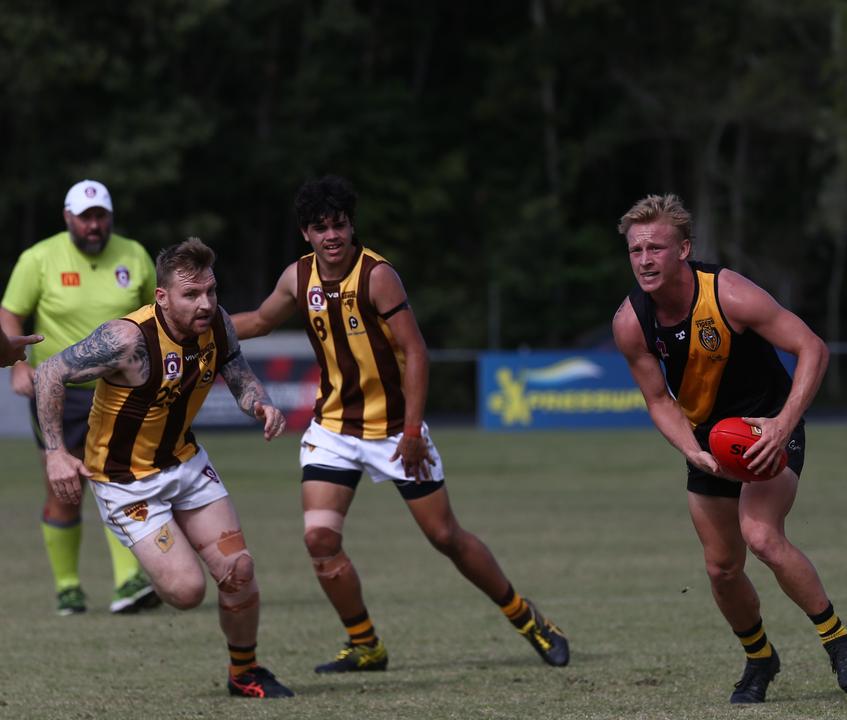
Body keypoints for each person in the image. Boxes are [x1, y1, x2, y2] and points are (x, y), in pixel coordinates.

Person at [231, 175, 569, 674]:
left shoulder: (377, 276)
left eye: (339, 225)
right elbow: (259, 322)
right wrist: (192, 323)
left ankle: (528, 618)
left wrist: (411, 433)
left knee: (445, 537)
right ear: (305, 233)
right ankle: (366, 644)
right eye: (320, 227)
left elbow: (415, 351)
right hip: (333, 431)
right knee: (319, 539)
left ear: (351, 226)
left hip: (394, 431)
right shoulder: (296, 278)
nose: (332, 236)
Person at [613, 194, 847, 704]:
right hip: (708, 438)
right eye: (636, 249)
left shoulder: (728, 293)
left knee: (761, 535)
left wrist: (782, 424)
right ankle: (759, 658)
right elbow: (659, 400)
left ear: (683, 249)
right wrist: (691, 449)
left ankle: (837, 640)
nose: (644, 259)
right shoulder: (630, 322)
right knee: (721, 568)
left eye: (656, 247)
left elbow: (812, 347)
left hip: (766, 424)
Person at [33, 238, 295, 698]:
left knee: (239, 569)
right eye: (191, 295)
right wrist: (56, 452)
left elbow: (235, 368)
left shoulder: (218, 323)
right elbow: (50, 371)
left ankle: (245, 672)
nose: (206, 303)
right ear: (162, 297)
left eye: (211, 291)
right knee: (187, 591)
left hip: (185, 463)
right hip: (125, 483)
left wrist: (260, 404)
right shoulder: (127, 340)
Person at [1, 179, 160, 615]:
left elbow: (157, 314)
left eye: (101, 216)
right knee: (64, 489)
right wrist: (17, 363)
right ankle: (68, 587)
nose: (94, 225)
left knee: (120, 481)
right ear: (68, 217)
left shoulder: (134, 254)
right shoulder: (39, 258)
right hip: (57, 391)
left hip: (121, 390)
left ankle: (129, 581)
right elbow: (11, 313)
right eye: (85, 217)